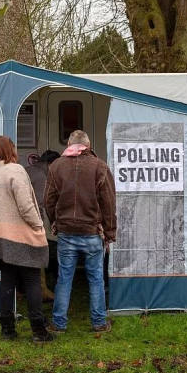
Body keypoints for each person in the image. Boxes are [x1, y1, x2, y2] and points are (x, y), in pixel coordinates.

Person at [0, 136, 54, 342]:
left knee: (7, 282)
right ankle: (38, 331)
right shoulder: (16, 171)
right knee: (32, 280)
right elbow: (26, 206)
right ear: (11, 150)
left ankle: (7, 330)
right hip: (22, 236)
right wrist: (38, 226)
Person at [44, 130, 117, 333]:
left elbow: (48, 201)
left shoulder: (56, 166)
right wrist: (110, 233)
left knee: (64, 278)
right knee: (95, 279)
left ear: (69, 144)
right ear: (89, 145)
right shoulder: (100, 167)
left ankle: (58, 324)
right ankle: (99, 323)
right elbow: (109, 203)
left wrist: (55, 222)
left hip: (66, 233)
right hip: (92, 231)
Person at [25, 150, 61, 302]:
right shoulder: (41, 176)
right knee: (45, 254)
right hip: (31, 223)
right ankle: (44, 291)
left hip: (20, 222)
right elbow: (42, 203)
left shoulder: (28, 170)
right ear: (50, 164)